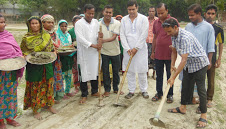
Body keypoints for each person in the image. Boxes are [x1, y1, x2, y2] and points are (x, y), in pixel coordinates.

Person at [163, 18, 209, 128]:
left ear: (175, 27)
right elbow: (174, 50)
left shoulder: (185, 37)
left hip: (199, 64)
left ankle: (204, 114)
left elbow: (183, 60)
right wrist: (172, 64)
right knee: (185, 85)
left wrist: (173, 77)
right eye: (166, 32)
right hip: (189, 64)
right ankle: (183, 107)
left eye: (169, 31)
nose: (168, 34)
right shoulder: (174, 35)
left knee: (201, 88)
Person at [20, 16, 56, 120]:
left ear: (40, 24)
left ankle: (49, 105)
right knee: (35, 86)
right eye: (32, 23)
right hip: (33, 66)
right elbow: (22, 52)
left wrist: (54, 52)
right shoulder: (26, 38)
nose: (35, 25)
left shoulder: (46, 35)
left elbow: (52, 49)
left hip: (47, 64)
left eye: (37, 23)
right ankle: (35, 110)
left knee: (48, 84)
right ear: (29, 25)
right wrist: (25, 56)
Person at [185, 4, 215, 109]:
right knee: (188, 83)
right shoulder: (188, 26)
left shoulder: (208, 27)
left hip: (202, 61)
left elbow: (211, 46)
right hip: (189, 61)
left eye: (192, 15)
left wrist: (209, 61)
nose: (190, 18)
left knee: (201, 85)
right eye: (189, 15)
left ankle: (202, 108)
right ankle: (189, 101)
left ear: (199, 14)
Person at [120, 0, 149, 99]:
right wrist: (127, 48)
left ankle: (144, 90)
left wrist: (136, 47)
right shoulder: (124, 19)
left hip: (140, 49)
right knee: (130, 70)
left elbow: (144, 34)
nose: (131, 11)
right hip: (128, 49)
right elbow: (122, 34)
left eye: (133, 9)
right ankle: (131, 90)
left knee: (142, 70)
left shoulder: (144, 19)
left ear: (137, 8)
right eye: (129, 10)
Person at [151, 3, 179, 103]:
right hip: (158, 54)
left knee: (169, 75)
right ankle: (159, 93)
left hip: (170, 54)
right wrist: (153, 51)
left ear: (167, 11)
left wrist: (176, 50)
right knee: (159, 75)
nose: (160, 15)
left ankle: (170, 94)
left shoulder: (173, 21)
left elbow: (177, 35)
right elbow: (155, 37)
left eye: (162, 13)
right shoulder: (156, 22)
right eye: (158, 13)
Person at [75, 4, 102, 104]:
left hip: (94, 53)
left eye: (93, 13)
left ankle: (94, 91)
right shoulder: (79, 24)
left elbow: (98, 34)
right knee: (84, 73)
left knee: (95, 71)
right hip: (84, 53)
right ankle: (84, 94)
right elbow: (80, 38)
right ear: (84, 12)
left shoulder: (96, 22)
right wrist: (92, 45)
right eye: (89, 13)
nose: (91, 15)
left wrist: (99, 40)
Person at [0, 14, 23, 128]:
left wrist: (19, 58)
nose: (3, 25)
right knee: (0, 95)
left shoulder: (8, 35)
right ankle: (0, 120)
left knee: (11, 94)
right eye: (0, 22)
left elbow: (17, 50)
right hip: (0, 72)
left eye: (4, 22)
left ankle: (10, 117)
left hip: (11, 70)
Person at [41, 14, 65, 103]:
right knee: (47, 78)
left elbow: (59, 44)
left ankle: (55, 96)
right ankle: (47, 98)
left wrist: (58, 49)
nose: (51, 24)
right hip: (46, 60)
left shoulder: (54, 33)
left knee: (56, 76)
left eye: (52, 22)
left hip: (56, 58)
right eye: (48, 22)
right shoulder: (41, 34)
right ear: (43, 23)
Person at [204, 4, 224, 108]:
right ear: (204, 14)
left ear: (215, 15)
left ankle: (209, 98)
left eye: (212, 14)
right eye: (208, 13)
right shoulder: (200, 25)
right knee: (200, 78)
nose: (210, 16)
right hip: (201, 56)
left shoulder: (218, 28)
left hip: (213, 55)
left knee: (211, 78)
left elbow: (221, 43)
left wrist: (219, 59)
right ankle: (199, 96)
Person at [99, 5, 122, 97]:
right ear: (103, 12)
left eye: (110, 12)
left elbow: (113, 37)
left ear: (112, 13)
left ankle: (116, 88)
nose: (108, 14)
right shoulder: (98, 24)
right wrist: (98, 38)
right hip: (104, 51)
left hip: (115, 51)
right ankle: (107, 89)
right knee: (105, 71)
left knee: (116, 71)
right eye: (106, 12)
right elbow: (97, 37)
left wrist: (102, 40)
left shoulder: (117, 23)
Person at [56, 19, 75, 97]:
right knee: (62, 76)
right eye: (62, 26)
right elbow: (59, 46)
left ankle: (67, 91)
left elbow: (70, 44)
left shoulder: (68, 35)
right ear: (59, 27)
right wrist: (68, 47)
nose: (64, 28)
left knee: (69, 75)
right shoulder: (57, 35)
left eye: (65, 26)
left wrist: (71, 46)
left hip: (69, 56)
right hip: (61, 57)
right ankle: (61, 93)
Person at [68, 15, 81, 94]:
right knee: (75, 70)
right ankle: (76, 85)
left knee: (82, 69)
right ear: (73, 23)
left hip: (83, 52)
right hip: (74, 53)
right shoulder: (71, 31)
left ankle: (84, 84)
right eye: (76, 22)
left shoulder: (84, 30)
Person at [146, 6, 158, 79]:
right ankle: (146, 73)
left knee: (155, 58)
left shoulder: (157, 20)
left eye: (153, 11)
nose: (151, 13)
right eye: (150, 11)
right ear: (148, 12)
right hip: (146, 42)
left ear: (155, 12)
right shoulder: (145, 20)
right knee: (146, 58)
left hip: (155, 42)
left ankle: (154, 73)